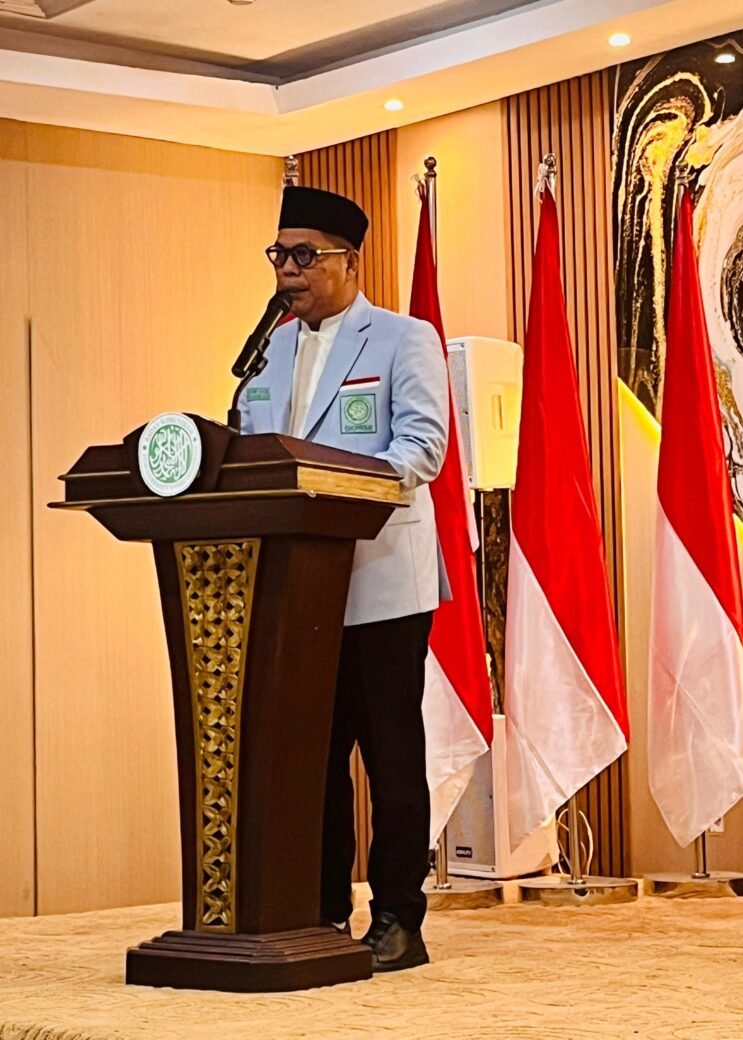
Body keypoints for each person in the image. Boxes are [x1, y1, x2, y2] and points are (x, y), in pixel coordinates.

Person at [238, 186, 449, 973]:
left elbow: (420, 450)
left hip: (380, 586)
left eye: (302, 257)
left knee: (391, 759)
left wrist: (330, 491)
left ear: (347, 261)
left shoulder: (402, 339)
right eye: (278, 256)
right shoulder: (267, 350)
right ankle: (321, 907)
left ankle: (399, 915)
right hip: (294, 591)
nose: (286, 272)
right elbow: (248, 456)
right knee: (310, 757)